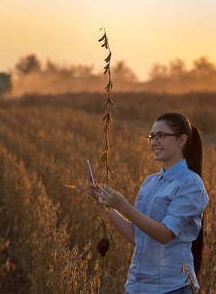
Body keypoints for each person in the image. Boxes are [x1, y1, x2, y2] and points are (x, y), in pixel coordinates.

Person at [88, 113, 208, 294]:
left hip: (170, 288)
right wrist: (104, 203)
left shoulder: (190, 183)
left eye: (161, 136)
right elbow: (137, 238)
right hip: (137, 286)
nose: (154, 142)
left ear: (182, 140)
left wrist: (123, 206)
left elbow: (164, 234)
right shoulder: (150, 182)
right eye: (152, 137)